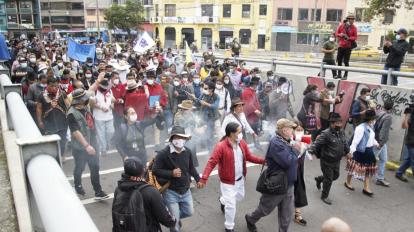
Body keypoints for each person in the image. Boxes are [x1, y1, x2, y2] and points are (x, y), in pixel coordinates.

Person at [200, 122, 265, 232]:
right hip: (227, 182)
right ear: (231, 133)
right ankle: (229, 227)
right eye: (239, 132)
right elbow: (212, 162)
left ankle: (222, 200)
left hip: (240, 180)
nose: (241, 134)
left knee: (239, 197)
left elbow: (249, 157)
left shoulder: (242, 143)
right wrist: (204, 178)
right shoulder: (221, 146)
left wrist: (263, 161)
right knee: (231, 206)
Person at [245, 119, 299, 232]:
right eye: (291, 129)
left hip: (288, 184)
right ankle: (250, 219)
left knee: (286, 214)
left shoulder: (286, 140)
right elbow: (288, 162)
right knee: (265, 209)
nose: (293, 131)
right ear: (284, 130)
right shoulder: (276, 143)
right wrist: (297, 150)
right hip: (277, 183)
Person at [152, 126, 202, 232]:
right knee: (174, 227)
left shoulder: (187, 152)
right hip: (171, 192)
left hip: (185, 190)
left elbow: (191, 168)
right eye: (176, 137)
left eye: (181, 137)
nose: (179, 140)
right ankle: (174, 220)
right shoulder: (163, 154)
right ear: (172, 139)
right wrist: (171, 173)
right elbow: (155, 170)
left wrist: (198, 179)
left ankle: (174, 218)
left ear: (185, 139)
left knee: (189, 212)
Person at [112, 157, 176, 232]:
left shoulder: (119, 188)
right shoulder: (150, 191)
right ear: (143, 170)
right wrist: (173, 220)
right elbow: (165, 219)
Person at [67, 88, 109, 199]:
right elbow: (75, 131)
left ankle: (98, 191)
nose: (86, 100)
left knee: (95, 167)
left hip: (93, 142)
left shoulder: (86, 107)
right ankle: (78, 185)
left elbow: (91, 90)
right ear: (78, 101)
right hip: (80, 147)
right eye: (83, 99)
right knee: (80, 167)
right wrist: (86, 146)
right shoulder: (71, 114)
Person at [309, 113, 350, 205]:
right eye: (338, 123)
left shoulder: (341, 132)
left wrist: (348, 152)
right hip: (326, 161)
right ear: (332, 123)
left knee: (335, 176)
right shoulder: (325, 134)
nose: (340, 125)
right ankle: (324, 196)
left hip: (337, 160)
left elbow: (345, 143)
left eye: (340, 122)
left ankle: (319, 179)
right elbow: (317, 144)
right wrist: (310, 151)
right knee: (328, 179)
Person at [345, 109, 378, 197]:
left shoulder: (371, 126)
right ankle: (347, 182)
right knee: (353, 168)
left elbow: (371, 137)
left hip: (369, 151)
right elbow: (355, 142)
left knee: (368, 169)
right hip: (360, 151)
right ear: (370, 119)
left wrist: (376, 143)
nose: (374, 120)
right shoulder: (360, 128)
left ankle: (366, 187)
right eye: (373, 119)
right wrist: (351, 152)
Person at [36, 77, 69, 158]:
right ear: (47, 86)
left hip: (62, 121)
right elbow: (39, 108)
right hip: (48, 122)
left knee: (63, 140)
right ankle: (53, 156)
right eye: (51, 86)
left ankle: (61, 155)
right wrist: (40, 121)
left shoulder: (62, 93)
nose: (54, 88)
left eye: (56, 86)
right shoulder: (41, 95)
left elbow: (68, 105)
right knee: (51, 141)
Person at [173, 100, 204, 168]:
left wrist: (200, 123)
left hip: (190, 137)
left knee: (192, 154)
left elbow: (197, 122)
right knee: (183, 157)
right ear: (184, 109)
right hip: (181, 138)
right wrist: (193, 121)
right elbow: (184, 124)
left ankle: (192, 169)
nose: (191, 111)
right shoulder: (178, 115)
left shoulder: (191, 114)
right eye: (189, 110)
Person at [91, 79, 115, 156]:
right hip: (99, 117)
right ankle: (103, 148)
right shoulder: (94, 92)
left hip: (109, 116)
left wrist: (112, 105)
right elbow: (92, 104)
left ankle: (107, 143)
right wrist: (101, 107)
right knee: (101, 134)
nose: (105, 89)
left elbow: (112, 100)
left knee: (111, 131)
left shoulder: (109, 91)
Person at [292, 124, 309, 226]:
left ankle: (297, 215)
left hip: (299, 171)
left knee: (299, 189)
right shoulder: (289, 140)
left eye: (301, 130)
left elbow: (310, 151)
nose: (300, 131)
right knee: (284, 191)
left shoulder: (305, 140)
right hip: (288, 171)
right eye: (297, 130)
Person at [373, 100, 393, 187]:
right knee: (370, 159)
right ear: (391, 108)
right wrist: (381, 143)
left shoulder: (379, 113)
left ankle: (380, 178)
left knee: (383, 159)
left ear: (384, 105)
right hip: (380, 141)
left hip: (378, 140)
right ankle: (360, 174)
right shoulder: (388, 117)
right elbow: (384, 131)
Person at [195, 81, 219, 150]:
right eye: (204, 88)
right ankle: (203, 144)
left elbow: (215, 106)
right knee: (202, 132)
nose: (204, 89)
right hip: (203, 117)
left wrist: (205, 103)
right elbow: (197, 102)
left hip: (211, 117)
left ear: (211, 89)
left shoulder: (216, 96)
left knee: (209, 133)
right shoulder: (203, 94)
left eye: (206, 88)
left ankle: (210, 149)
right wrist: (197, 100)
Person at [335, 13, 357, 80]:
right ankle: (339, 74)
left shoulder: (354, 28)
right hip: (341, 45)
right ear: (347, 19)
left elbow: (355, 37)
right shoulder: (341, 26)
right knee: (339, 60)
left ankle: (345, 75)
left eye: (353, 19)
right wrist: (340, 34)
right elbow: (336, 33)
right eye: (350, 19)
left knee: (346, 61)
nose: (351, 20)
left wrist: (349, 38)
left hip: (348, 46)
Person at [395, 104, 414, 182]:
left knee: (409, 159)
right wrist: (406, 116)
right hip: (411, 141)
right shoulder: (411, 111)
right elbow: (404, 126)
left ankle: (399, 173)